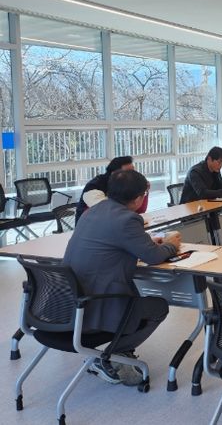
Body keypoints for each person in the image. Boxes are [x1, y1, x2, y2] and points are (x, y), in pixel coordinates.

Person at [63, 169, 181, 385]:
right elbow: (153, 257)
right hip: (96, 305)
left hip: (68, 305)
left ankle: (119, 353)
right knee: (158, 307)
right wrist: (171, 245)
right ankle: (111, 355)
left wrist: (145, 243)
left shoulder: (92, 212)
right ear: (137, 199)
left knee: (136, 296)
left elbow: (113, 242)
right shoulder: (128, 218)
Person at [75, 156, 148, 224]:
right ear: (114, 174)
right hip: (91, 227)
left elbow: (139, 210)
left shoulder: (125, 185)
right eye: (128, 173)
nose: (133, 176)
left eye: (133, 172)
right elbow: (108, 213)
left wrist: (143, 191)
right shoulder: (94, 187)